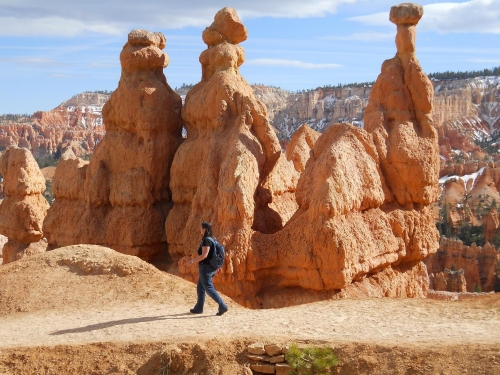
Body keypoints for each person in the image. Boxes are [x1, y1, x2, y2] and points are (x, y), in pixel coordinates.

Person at [187, 222, 228, 316]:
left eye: (201, 228)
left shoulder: (206, 240)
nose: (200, 230)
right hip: (211, 267)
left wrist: (192, 261)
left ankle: (223, 306)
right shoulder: (213, 239)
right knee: (200, 287)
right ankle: (198, 308)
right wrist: (218, 266)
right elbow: (216, 253)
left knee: (209, 288)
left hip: (206, 268)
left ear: (204, 229)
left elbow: (204, 255)